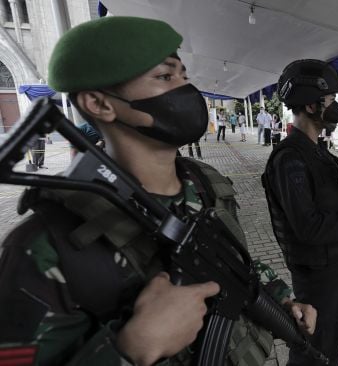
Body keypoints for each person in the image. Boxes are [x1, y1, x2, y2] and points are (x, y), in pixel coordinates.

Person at [0, 16, 317, 366]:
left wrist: (281, 298)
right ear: (99, 103)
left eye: (184, 76)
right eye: (165, 77)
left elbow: (230, 259)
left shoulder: (204, 181)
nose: (186, 91)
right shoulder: (43, 247)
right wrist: (131, 349)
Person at [262, 59, 338, 366]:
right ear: (312, 106)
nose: (336, 106)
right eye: (331, 100)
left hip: (333, 269)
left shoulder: (316, 151)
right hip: (316, 277)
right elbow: (307, 226)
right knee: (313, 352)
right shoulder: (290, 159)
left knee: (332, 342)